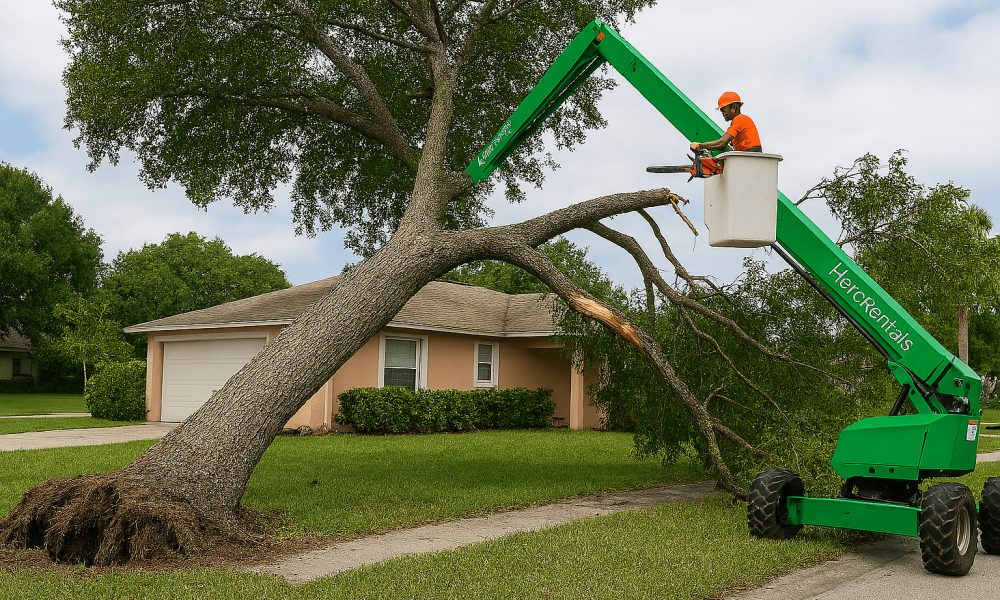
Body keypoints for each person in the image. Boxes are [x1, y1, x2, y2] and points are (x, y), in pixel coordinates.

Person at [689, 92, 761, 153]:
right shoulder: (740, 121)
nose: (722, 113)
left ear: (734, 107)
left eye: (723, 110)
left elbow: (722, 143)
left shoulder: (739, 119)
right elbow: (722, 146)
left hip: (749, 155)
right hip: (748, 156)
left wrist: (700, 146)